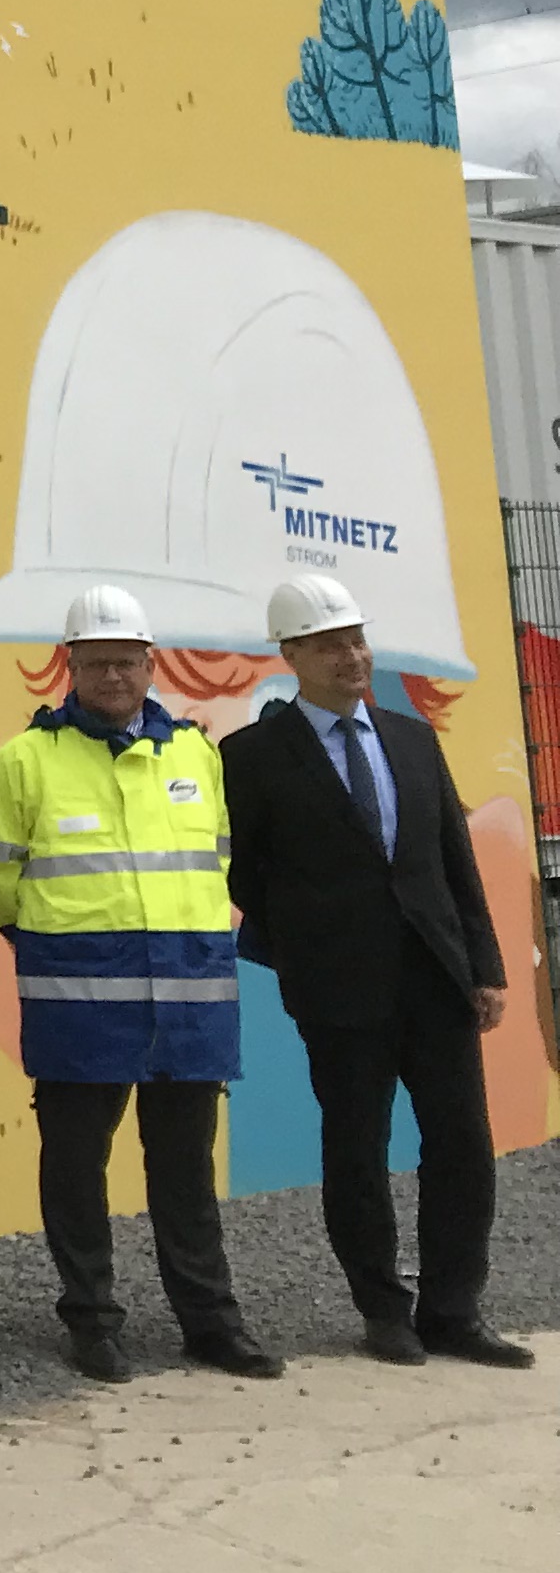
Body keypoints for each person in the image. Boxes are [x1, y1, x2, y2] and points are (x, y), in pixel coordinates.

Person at [0, 583, 280, 1384]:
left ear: (151, 665)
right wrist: (51, 947)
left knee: (186, 1175)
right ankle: (92, 1323)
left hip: (189, 1003)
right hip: (78, 1008)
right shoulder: (22, 762)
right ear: (69, 668)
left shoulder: (196, 754)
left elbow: (216, 860)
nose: (113, 675)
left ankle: (211, 1325)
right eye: (97, 662)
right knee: (76, 1173)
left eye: (126, 661)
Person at [222, 574, 530, 1370]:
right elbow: (247, 877)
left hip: (436, 977)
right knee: (357, 1150)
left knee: (463, 1145)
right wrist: (306, 953)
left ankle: (453, 1311)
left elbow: (454, 861)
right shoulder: (252, 757)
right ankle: (383, 1311)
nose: (351, 656)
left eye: (356, 640)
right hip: (339, 990)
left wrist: (484, 967)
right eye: (330, 645)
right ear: (292, 655)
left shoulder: (412, 738)